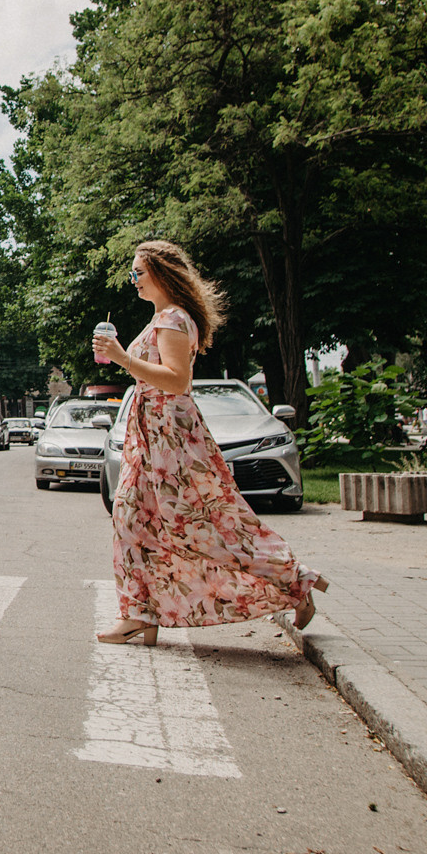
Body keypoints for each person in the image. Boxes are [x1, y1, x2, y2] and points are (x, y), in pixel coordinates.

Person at [92, 240, 327, 646]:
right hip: (148, 434)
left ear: (162, 274)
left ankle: (294, 577)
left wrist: (122, 358)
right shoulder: (160, 317)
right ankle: (137, 613)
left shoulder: (174, 318)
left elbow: (177, 380)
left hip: (172, 437)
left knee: (198, 526)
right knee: (131, 518)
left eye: (138, 273)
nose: (133, 280)